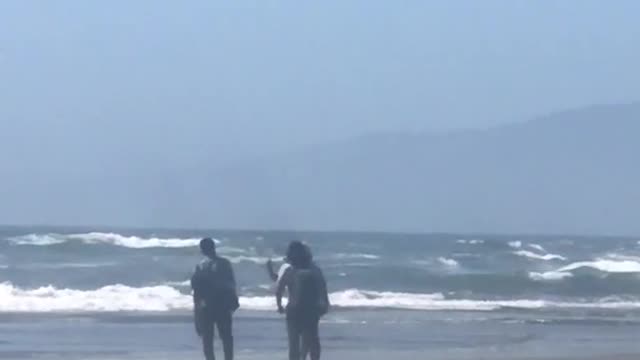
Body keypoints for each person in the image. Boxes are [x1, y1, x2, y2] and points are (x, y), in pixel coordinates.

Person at [276, 241, 329, 360]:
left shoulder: (290, 270)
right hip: (311, 311)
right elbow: (322, 287)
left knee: (293, 343)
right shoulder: (314, 270)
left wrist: (279, 305)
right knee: (312, 341)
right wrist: (324, 303)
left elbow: (279, 289)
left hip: (293, 311)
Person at [191, 238, 239, 360]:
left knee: (207, 340)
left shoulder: (200, 266)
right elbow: (231, 284)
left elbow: (196, 292)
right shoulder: (225, 264)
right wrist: (234, 300)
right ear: (214, 248)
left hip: (206, 306)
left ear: (202, 250)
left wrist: (196, 315)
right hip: (222, 305)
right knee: (227, 338)